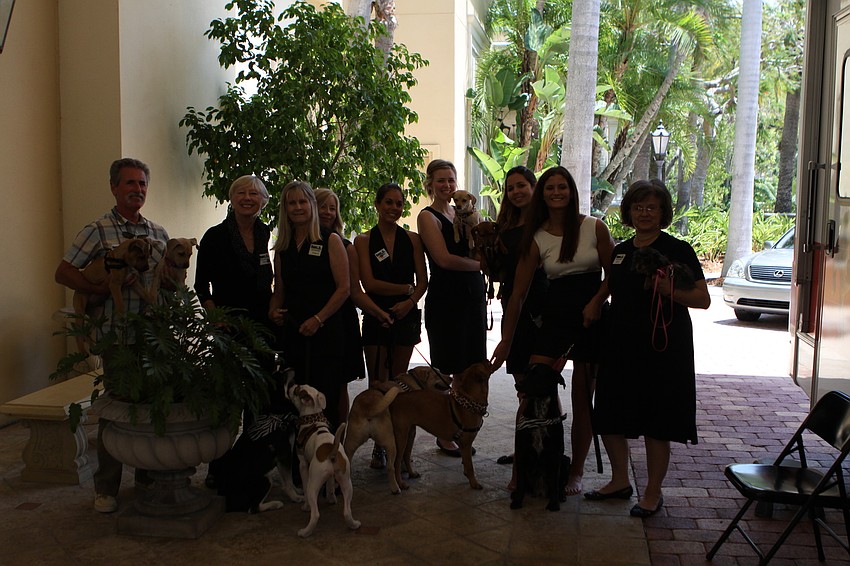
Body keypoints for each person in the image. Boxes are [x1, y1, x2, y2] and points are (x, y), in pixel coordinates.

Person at [585, 179, 710, 517]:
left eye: (651, 207)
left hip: (664, 346)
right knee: (609, 414)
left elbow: (703, 299)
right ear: (629, 211)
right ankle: (619, 481)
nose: (644, 213)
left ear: (662, 212)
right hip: (620, 343)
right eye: (638, 207)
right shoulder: (621, 249)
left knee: (658, 420)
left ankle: (653, 492)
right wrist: (596, 301)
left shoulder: (678, 249)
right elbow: (611, 281)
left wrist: (671, 291)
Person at [491, 165, 614, 496]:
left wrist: (597, 302)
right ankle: (521, 471)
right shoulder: (537, 236)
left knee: (581, 398)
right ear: (542, 194)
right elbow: (516, 294)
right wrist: (506, 339)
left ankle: (575, 473)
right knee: (532, 390)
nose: (556, 192)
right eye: (550, 188)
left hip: (593, 317)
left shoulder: (594, 227)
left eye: (562, 187)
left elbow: (614, 273)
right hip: (555, 316)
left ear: (571, 191)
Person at [55, 158, 169, 514]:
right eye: (130, 183)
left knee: (150, 409)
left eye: (142, 184)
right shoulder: (98, 230)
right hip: (115, 336)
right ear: (114, 188)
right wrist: (102, 289)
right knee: (117, 410)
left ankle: (148, 478)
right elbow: (64, 271)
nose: (138, 189)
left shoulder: (157, 234)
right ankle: (106, 487)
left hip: (152, 337)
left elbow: (164, 280)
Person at [194, 174, 274, 489]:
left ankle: (250, 464)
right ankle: (219, 469)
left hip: (261, 326)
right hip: (228, 326)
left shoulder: (265, 232)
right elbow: (202, 286)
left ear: (263, 201)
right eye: (241, 192)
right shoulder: (214, 236)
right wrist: (215, 318)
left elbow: (266, 279)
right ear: (232, 198)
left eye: (254, 193)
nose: (248, 197)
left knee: (258, 398)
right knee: (227, 400)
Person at [355, 183, 428, 468]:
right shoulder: (363, 240)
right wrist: (405, 289)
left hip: (405, 314)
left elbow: (423, 281)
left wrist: (408, 302)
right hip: (376, 315)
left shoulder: (412, 239)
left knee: (398, 381)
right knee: (377, 382)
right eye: (388, 202)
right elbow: (368, 283)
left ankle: (396, 443)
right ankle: (378, 445)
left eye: (398, 204)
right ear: (377, 204)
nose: (393, 208)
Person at [417, 159, 486, 457]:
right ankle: (444, 432)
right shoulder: (428, 216)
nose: (447, 185)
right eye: (441, 180)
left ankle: (460, 428)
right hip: (447, 299)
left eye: (451, 180)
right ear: (430, 183)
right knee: (446, 370)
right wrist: (480, 266)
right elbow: (443, 260)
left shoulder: (465, 212)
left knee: (468, 369)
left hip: (472, 296)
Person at [268, 181, 349, 430]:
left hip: (325, 332)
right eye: (292, 203)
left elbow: (344, 288)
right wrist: (273, 310)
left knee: (326, 399)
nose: (298, 207)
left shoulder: (330, 240)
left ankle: (331, 457)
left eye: (303, 201)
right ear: (285, 208)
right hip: (295, 334)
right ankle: (300, 461)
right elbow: (279, 289)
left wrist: (318, 319)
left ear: (312, 205)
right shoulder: (282, 247)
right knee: (298, 400)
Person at [314, 188, 391, 426]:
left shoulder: (347, 245)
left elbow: (356, 291)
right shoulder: (296, 243)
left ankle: (339, 438)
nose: (327, 212)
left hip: (340, 322)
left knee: (338, 385)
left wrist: (379, 314)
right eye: (323, 206)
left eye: (332, 207)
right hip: (309, 321)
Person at [491, 166, 547, 488]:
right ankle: (526, 445)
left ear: (533, 187)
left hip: (539, 303)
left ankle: (536, 449)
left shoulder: (546, 223)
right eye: (510, 188)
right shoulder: (505, 225)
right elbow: (500, 271)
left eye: (521, 186)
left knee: (538, 381)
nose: (516, 192)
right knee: (521, 380)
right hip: (510, 301)